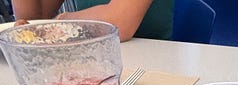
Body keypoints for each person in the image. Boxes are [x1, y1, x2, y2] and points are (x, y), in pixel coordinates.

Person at [11, 0, 174, 41]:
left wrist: (61, 21)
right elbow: (30, 23)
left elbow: (119, 23)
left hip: (148, 66)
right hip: (85, 60)